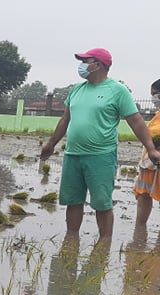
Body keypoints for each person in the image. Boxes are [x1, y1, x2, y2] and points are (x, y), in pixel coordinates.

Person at [40, 48, 160, 239]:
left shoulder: (117, 90)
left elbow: (136, 121)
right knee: (73, 201)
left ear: (99, 65)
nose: (82, 65)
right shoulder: (76, 90)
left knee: (102, 203)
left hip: (101, 156)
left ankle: (103, 246)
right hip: (73, 155)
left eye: (86, 61)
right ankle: (71, 241)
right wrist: (51, 143)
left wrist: (151, 149)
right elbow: (65, 120)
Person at [134, 78, 160, 226]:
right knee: (143, 194)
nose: (153, 98)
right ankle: (139, 231)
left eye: (155, 94)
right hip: (149, 163)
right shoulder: (157, 115)